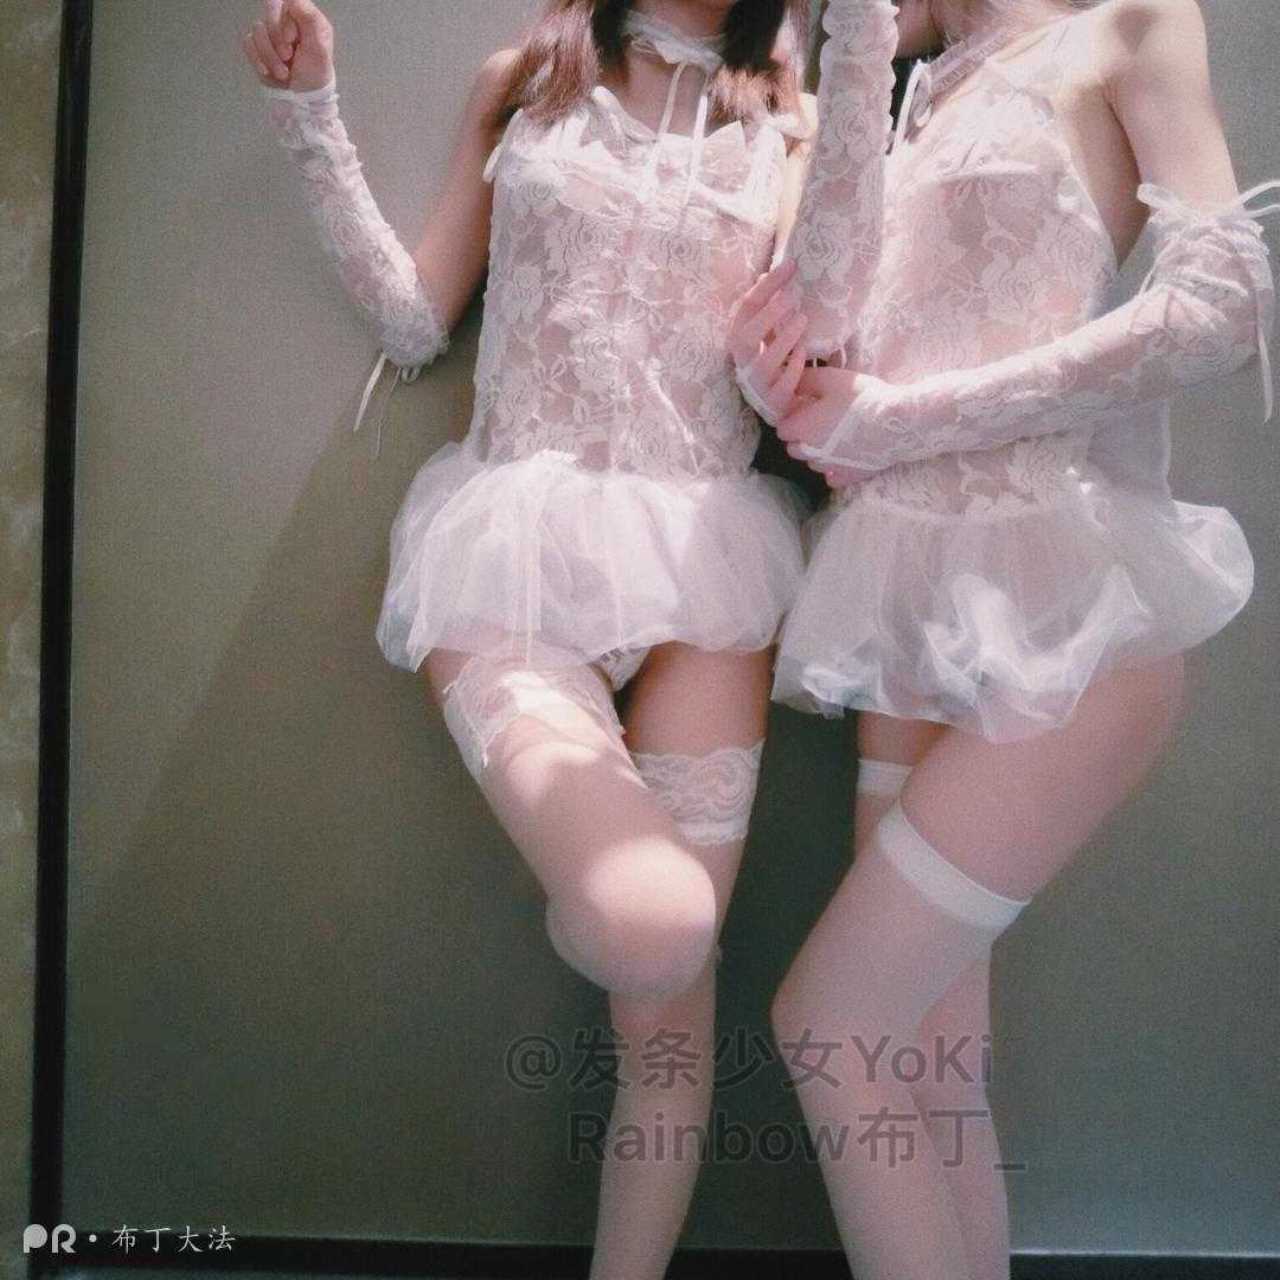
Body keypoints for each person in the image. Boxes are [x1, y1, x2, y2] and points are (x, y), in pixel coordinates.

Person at [242, 1, 820, 1275]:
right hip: (507, 562)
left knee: (665, 1030)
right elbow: (415, 322)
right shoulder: (524, 80)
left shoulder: (793, 126)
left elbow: (807, 359)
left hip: (706, 575)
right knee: (658, 926)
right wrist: (309, 112)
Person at [727, 0, 1277, 1276]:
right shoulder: (902, 92)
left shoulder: (1128, 25)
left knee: (827, 1022)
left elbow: (1220, 308)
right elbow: (828, 329)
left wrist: (897, 419)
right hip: (906, 607)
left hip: (1066, 615)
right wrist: (787, 382)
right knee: (927, 1061)